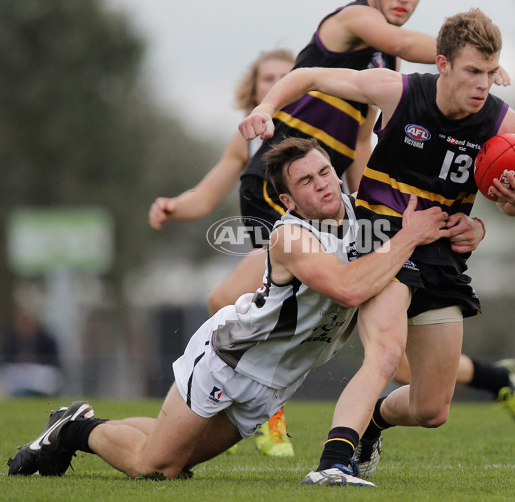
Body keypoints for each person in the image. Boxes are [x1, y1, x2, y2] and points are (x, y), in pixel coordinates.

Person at [8, 138, 449, 485]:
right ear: (290, 202)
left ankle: (79, 424)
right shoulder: (290, 238)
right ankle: (72, 430)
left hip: (276, 382)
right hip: (231, 360)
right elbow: (348, 289)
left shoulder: (363, 215)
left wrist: (469, 224)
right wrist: (408, 238)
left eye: (326, 172)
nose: (323, 184)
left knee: (177, 455)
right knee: (157, 469)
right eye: (307, 182)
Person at [238, 8, 515, 486]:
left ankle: (374, 423)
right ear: (442, 64)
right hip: (381, 236)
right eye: (471, 71)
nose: (483, 84)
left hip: (441, 254)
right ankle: (333, 464)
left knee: (431, 408)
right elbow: (309, 75)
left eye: (490, 72)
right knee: (384, 352)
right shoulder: (398, 92)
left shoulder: (508, 127)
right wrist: (264, 108)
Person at [149, 48, 296, 457]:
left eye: (288, 77)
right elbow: (208, 193)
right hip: (274, 258)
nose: (277, 84)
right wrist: (176, 204)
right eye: (269, 78)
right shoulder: (246, 138)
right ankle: (261, 420)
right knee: (236, 310)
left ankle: (261, 417)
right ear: (254, 91)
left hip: (304, 250)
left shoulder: (314, 132)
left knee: (222, 301)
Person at [0, 303, 62, 397]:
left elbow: (54, 362)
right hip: (16, 373)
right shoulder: (10, 338)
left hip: (39, 373)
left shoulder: (46, 339)